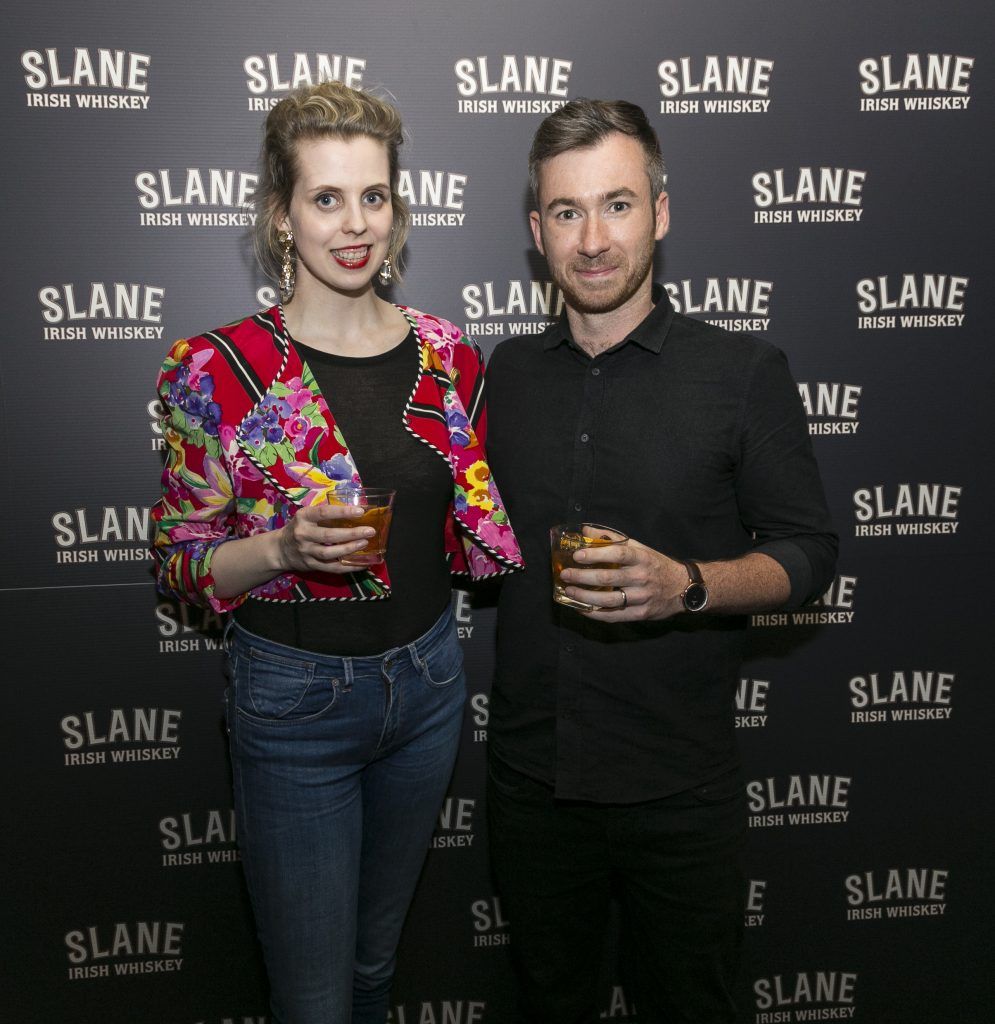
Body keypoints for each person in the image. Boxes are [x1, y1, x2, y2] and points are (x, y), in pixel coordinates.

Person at [150, 81, 522, 1024]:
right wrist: (277, 546)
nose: (354, 224)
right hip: (294, 704)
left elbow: (472, 523)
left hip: (430, 688)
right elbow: (182, 559)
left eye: (374, 196)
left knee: (371, 970)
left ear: (398, 208)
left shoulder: (450, 358)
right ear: (281, 214)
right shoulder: (216, 369)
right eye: (325, 198)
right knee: (313, 1000)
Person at [484, 99, 837, 1024]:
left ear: (661, 213)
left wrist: (688, 584)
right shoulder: (502, 376)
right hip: (533, 788)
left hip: (679, 793)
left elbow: (809, 552)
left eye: (617, 205)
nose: (592, 238)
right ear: (536, 231)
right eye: (566, 212)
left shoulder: (743, 371)